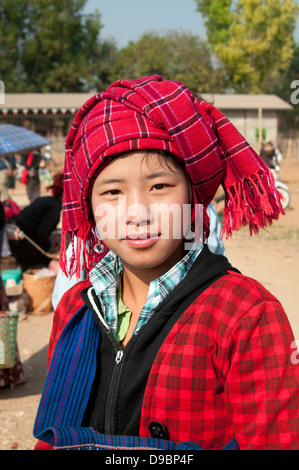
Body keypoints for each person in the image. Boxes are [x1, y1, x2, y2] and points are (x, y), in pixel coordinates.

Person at [33, 76, 299, 450]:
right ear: (89, 208)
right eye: (112, 192)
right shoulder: (75, 308)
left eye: (159, 187)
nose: (137, 213)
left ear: (193, 197)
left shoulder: (244, 313)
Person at [8, 172, 63, 270]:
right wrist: (49, 246)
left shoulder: (48, 200)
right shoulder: (54, 207)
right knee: (44, 263)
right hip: (22, 242)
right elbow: (42, 232)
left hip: (20, 236)